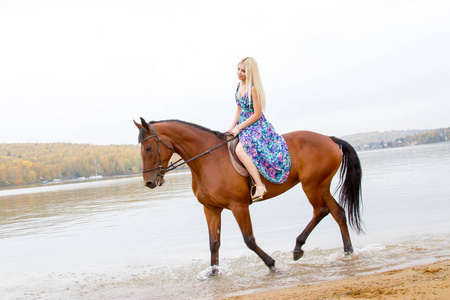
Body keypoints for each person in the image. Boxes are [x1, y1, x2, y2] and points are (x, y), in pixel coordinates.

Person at [227, 57, 291, 202]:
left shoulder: (253, 88)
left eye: (244, 71)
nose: (240, 73)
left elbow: (257, 114)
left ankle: (260, 185)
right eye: (238, 69)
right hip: (242, 124)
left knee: (240, 150)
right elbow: (238, 110)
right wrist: (231, 128)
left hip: (255, 125)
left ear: (250, 72)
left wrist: (239, 127)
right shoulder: (238, 86)